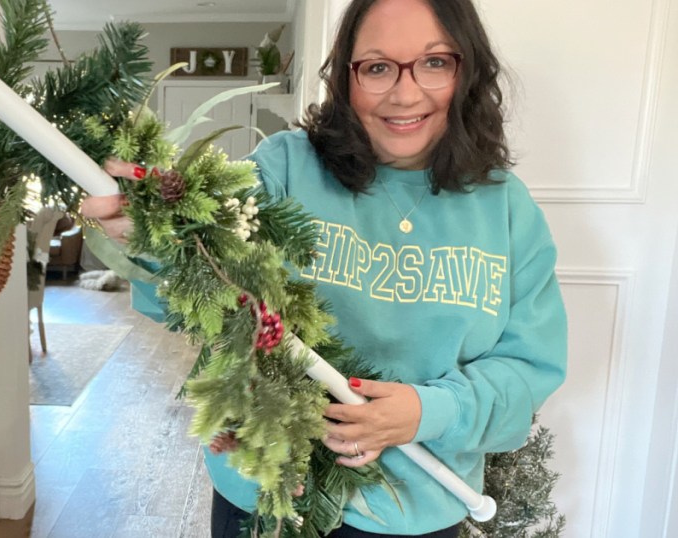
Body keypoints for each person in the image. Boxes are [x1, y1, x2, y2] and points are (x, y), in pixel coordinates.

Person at [82, 0, 568, 536]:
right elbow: (202, 284)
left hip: (416, 510)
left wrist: (429, 411)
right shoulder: (286, 167)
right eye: (378, 67)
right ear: (346, 77)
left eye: (435, 62)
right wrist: (153, 234)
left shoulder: (506, 209)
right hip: (266, 495)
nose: (405, 94)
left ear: (467, 69)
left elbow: (529, 368)